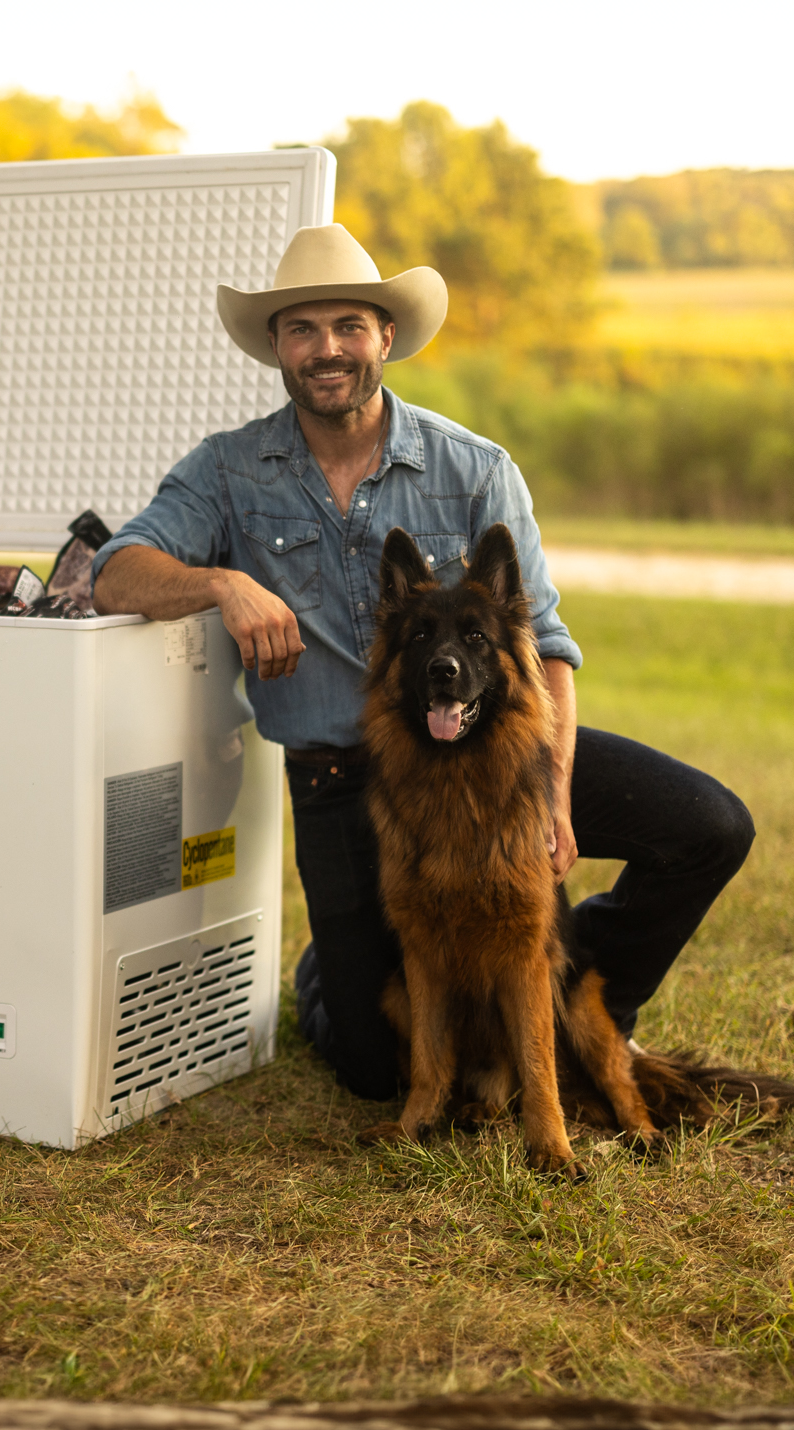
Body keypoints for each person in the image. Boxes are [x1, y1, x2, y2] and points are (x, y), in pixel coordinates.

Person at [91, 224, 754, 1101]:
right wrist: (223, 583)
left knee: (707, 824)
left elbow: (546, 645)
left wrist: (553, 792)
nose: (326, 349)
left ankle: (566, 992)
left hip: (493, 754)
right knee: (374, 1068)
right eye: (301, 329)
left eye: (347, 326)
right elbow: (114, 572)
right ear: (277, 348)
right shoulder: (227, 471)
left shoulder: (473, 467)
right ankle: (330, 965)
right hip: (341, 775)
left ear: (384, 336)